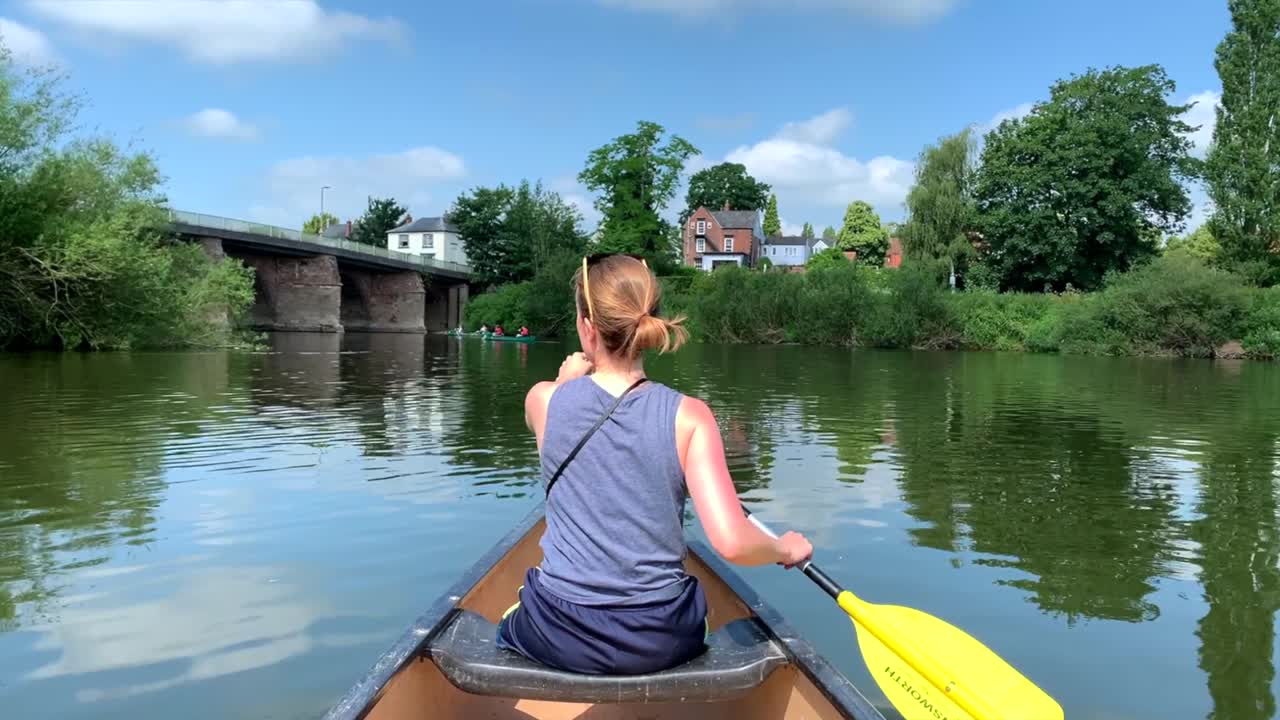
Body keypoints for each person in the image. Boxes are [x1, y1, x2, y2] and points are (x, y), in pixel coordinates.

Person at [497, 254, 813, 676]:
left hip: (560, 633)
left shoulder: (543, 400)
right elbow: (733, 543)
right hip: (661, 638)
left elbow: (549, 419)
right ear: (649, 323)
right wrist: (786, 547)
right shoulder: (691, 416)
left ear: (587, 327)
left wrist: (566, 380)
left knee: (508, 622)